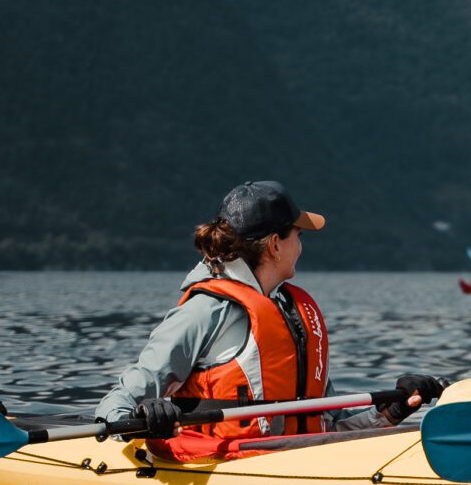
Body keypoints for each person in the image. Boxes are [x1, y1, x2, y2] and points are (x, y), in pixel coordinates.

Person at [94, 181, 444, 457]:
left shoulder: (291, 312)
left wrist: (393, 410)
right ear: (275, 245)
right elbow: (119, 400)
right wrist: (140, 417)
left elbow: (327, 424)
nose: (302, 247)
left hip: (292, 461)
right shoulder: (206, 311)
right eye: (299, 236)